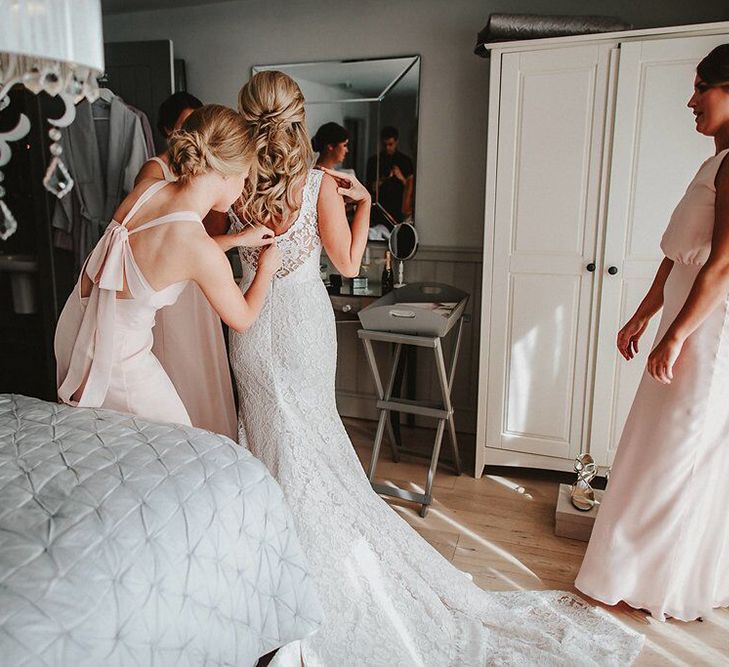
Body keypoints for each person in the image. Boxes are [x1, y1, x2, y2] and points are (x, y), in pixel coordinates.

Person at [227, 70, 642, 666]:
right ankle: (314, 577)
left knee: (269, 443)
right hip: (299, 325)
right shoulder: (318, 182)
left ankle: (270, 579)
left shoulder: (235, 180)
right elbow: (346, 265)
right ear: (298, 115)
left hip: (250, 326)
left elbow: (220, 246)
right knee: (311, 441)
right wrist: (368, 201)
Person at [576, 44, 729, 622]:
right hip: (682, 316)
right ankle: (639, 570)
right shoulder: (713, 163)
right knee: (652, 444)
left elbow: (721, 264)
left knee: (678, 452)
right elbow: (678, 255)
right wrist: (645, 313)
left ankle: (656, 580)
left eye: (703, 87)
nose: (691, 100)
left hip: (708, 330)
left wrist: (678, 335)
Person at [55, 105, 279, 427]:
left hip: (75, 331)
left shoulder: (146, 192)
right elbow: (242, 318)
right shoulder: (197, 248)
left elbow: (155, 258)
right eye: (245, 177)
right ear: (227, 172)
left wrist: (236, 240)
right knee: (179, 445)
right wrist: (266, 271)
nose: (243, 187)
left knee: (112, 443)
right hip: (115, 360)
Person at [133, 93, 238, 438]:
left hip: (201, 277)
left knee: (204, 364)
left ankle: (213, 440)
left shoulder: (210, 177)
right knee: (176, 358)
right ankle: (181, 439)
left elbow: (213, 231)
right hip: (170, 285)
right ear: (168, 130)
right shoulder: (155, 170)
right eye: (185, 126)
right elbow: (152, 232)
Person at [135, 92, 203, 184]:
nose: (194, 131)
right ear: (169, 129)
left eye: (197, 124)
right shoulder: (154, 169)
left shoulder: (205, 163)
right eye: (187, 125)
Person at [366, 125, 414, 224]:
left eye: (390, 144)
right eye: (384, 145)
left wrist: (401, 178)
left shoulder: (405, 161)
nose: (387, 147)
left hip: (399, 207)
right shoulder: (374, 161)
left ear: (396, 142)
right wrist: (382, 180)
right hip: (380, 208)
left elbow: (411, 190)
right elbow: (369, 188)